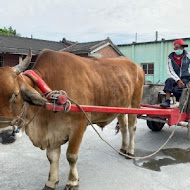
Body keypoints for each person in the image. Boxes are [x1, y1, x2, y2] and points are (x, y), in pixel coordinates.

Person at [160, 39, 190, 107]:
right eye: (179, 47)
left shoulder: (188, 55)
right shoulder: (170, 58)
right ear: (175, 48)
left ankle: (182, 104)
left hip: (186, 78)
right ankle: (167, 101)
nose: (181, 49)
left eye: (182, 47)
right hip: (175, 77)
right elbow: (170, 70)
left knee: (176, 90)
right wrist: (177, 80)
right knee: (169, 81)